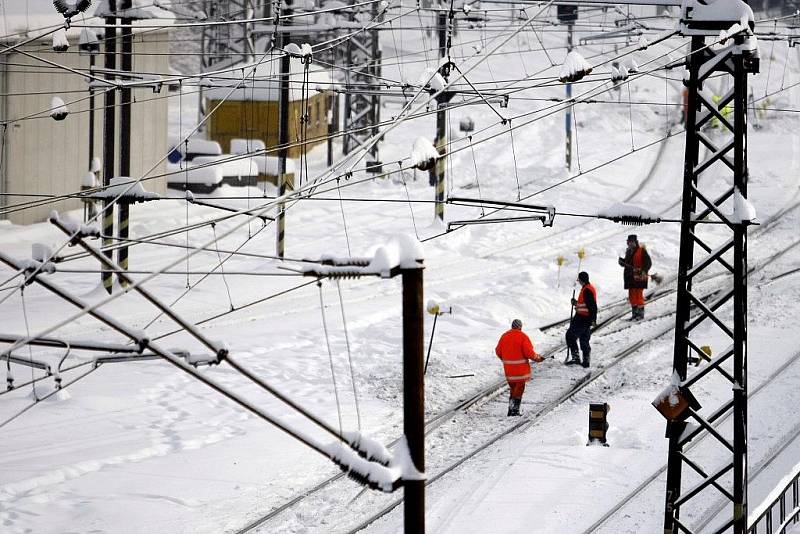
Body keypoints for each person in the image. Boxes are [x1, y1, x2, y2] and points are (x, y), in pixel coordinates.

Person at [495, 319, 543, 416]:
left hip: (509, 369)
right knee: (519, 389)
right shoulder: (523, 337)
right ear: (520, 327)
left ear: (512, 326)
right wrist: (538, 358)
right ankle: (514, 410)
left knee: (513, 389)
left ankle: (511, 409)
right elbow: (529, 353)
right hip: (520, 370)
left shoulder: (504, 336)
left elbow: (498, 351)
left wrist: (506, 360)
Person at [566, 271, 597, 368]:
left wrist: (593, 319)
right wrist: (575, 303)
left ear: (581, 280)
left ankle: (576, 358)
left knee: (570, 336)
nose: (578, 281)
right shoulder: (587, 288)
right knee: (584, 339)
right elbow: (584, 304)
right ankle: (586, 361)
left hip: (582, 318)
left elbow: (592, 306)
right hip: (585, 318)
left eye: (579, 279)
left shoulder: (587, 290)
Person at [618, 234, 652, 321]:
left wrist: (644, 270)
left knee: (638, 296)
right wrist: (622, 262)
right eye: (628, 242)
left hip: (639, 278)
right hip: (630, 277)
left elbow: (648, 263)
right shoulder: (628, 251)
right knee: (632, 297)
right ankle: (634, 315)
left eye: (631, 242)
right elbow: (628, 263)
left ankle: (640, 315)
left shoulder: (642, 251)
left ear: (635, 242)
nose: (629, 243)